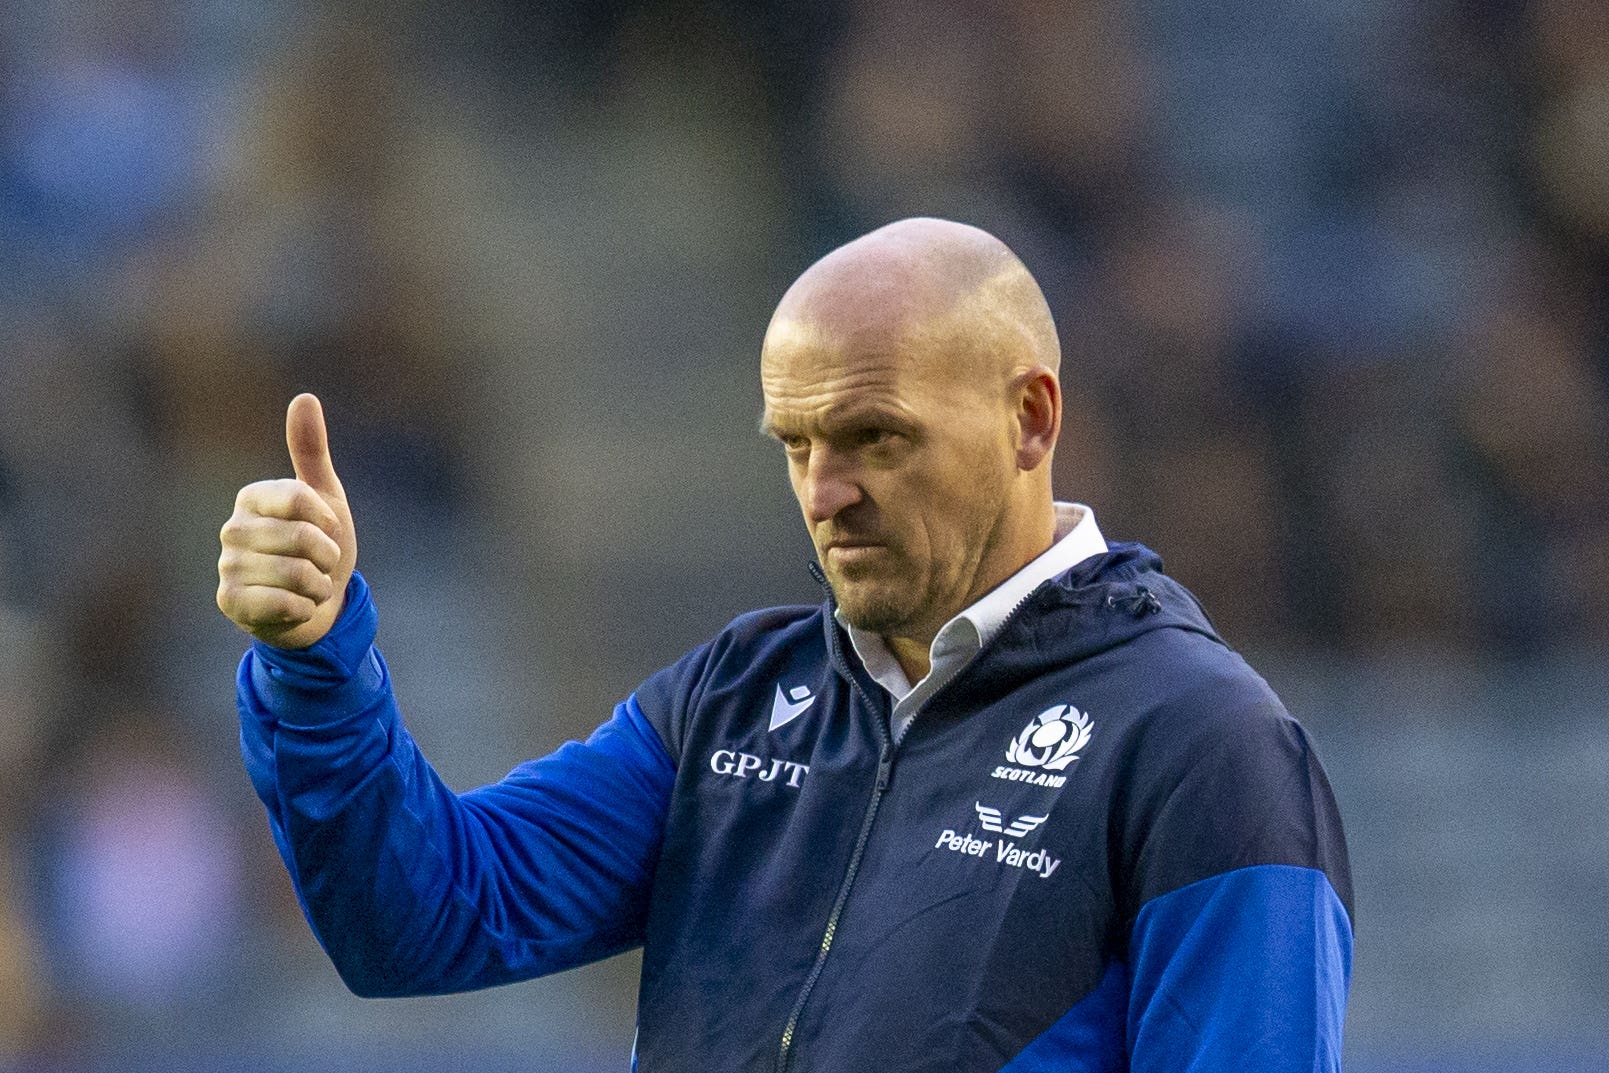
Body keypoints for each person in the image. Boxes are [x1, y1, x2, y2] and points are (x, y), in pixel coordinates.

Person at [217, 218, 1353, 1072]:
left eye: (873, 437)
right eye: (796, 441)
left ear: (1032, 418)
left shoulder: (1205, 746)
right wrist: (317, 667)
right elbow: (426, 921)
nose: (826, 491)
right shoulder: (734, 696)